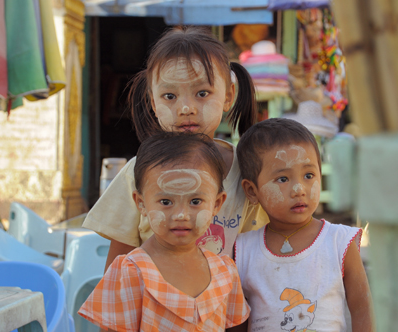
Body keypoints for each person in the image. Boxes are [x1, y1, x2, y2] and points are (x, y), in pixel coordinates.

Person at [82, 26, 268, 270]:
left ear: (228, 96)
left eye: (202, 93)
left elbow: (260, 253)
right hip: (153, 305)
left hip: (223, 306)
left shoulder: (245, 172)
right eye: (170, 96)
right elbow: (118, 267)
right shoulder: (137, 173)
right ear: (152, 101)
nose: (185, 108)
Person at [79, 132, 250, 331]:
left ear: (217, 203)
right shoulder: (131, 273)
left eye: (195, 202)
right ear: (141, 204)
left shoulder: (225, 272)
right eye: (166, 202)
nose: (181, 215)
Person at [233, 118, 373, 332]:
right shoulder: (243, 250)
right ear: (252, 191)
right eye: (282, 179)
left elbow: (363, 308)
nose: (299, 188)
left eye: (309, 175)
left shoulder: (339, 242)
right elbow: (236, 319)